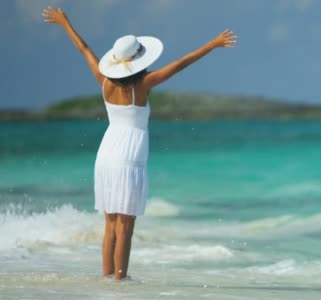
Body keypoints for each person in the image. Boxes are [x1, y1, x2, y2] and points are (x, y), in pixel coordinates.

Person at [42, 6, 237, 280]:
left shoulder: (104, 81)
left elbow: (85, 50)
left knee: (110, 225)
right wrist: (213, 44)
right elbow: (181, 63)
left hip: (106, 154)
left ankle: (108, 279)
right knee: (126, 227)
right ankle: (121, 283)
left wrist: (65, 23)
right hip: (129, 156)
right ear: (139, 60)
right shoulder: (145, 83)